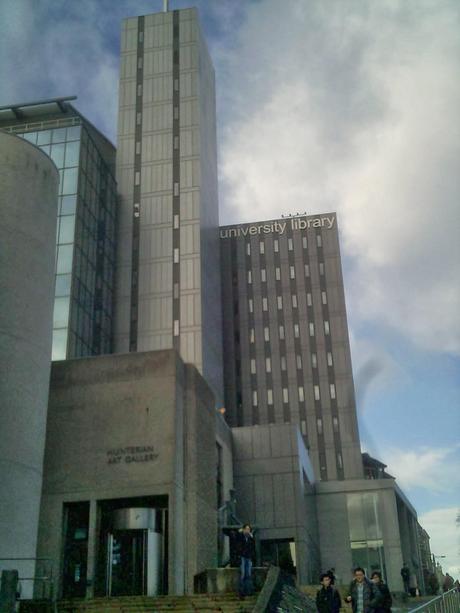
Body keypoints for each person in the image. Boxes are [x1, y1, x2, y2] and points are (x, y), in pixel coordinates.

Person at [237, 523, 256, 598]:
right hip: (242, 556)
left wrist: (251, 538)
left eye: (249, 529)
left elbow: (253, 547)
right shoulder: (240, 537)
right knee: (243, 574)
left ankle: (248, 591)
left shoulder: (250, 539)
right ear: (244, 529)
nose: (247, 531)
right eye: (246, 529)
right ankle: (242, 592)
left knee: (248, 574)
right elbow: (237, 543)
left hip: (248, 557)